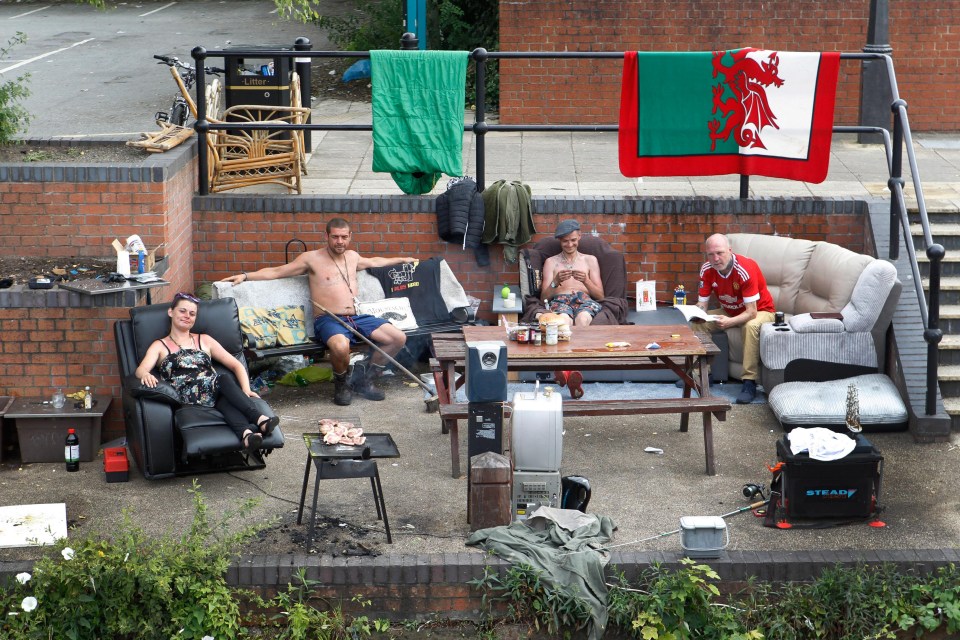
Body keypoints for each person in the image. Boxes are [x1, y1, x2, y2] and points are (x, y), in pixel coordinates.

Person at [221, 218, 417, 407]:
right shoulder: (312, 259)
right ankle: (342, 385)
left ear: (350, 236)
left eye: (343, 237)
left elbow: (375, 261)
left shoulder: (353, 257)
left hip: (356, 317)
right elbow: (278, 271)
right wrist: (246, 275)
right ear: (326, 236)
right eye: (335, 237)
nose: (339, 241)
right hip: (328, 320)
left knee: (397, 338)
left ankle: (364, 379)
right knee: (341, 347)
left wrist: (402, 259)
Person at [134, 292, 279, 452]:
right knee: (222, 379)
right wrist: (146, 374)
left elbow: (236, 365)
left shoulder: (204, 340)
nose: (187, 316)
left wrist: (246, 390)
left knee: (224, 398)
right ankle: (260, 419)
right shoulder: (160, 345)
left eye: (192, 313)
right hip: (188, 395)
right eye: (182, 311)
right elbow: (141, 369)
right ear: (171, 312)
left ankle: (246, 435)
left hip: (214, 391)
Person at [695, 233, 776, 404]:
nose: (716, 259)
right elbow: (702, 304)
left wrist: (729, 322)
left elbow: (751, 312)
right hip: (730, 311)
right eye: (711, 254)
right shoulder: (707, 269)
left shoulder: (745, 269)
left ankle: (749, 382)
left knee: (750, 326)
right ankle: (703, 374)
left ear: (730, 251)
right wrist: (697, 313)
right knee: (698, 324)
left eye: (720, 253)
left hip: (761, 311)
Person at [538, 219, 605, 399]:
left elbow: (600, 296)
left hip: (584, 299)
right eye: (565, 241)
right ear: (560, 241)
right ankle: (571, 373)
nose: (570, 244)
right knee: (565, 322)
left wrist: (586, 281)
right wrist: (555, 282)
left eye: (573, 240)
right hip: (560, 299)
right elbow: (544, 297)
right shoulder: (551, 262)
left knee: (582, 319)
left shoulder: (590, 260)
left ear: (579, 237)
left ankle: (567, 370)